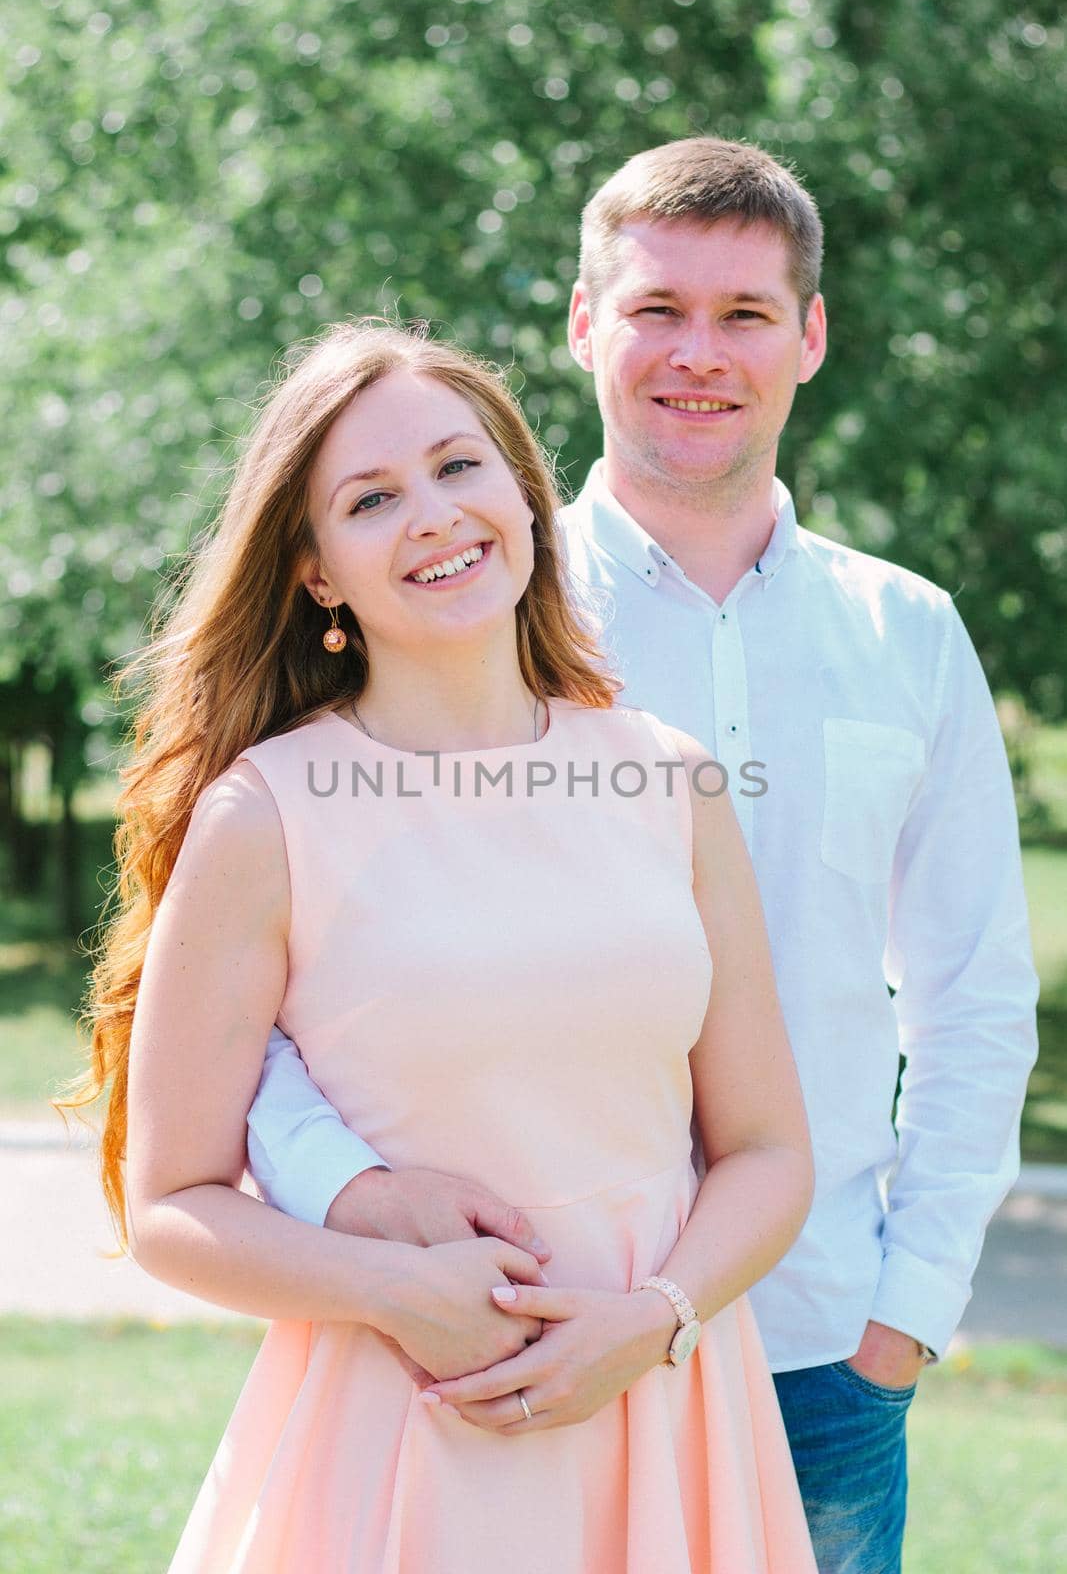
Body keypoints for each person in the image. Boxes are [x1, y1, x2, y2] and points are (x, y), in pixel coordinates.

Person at [248, 139, 1040, 1574]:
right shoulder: (448, 588)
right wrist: (366, 1219)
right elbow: (273, 993)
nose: (697, 355)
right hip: (495, 1333)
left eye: (742, 314)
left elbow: (973, 995)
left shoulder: (905, 634)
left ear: (808, 336)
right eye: (654, 309)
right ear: (578, 326)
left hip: (817, 1349)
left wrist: (899, 1318)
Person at [68, 319, 819, 1570]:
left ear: (523, 496)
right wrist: (386, 1288)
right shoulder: (266, 815)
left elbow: (767, 1150)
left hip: (667, 1404)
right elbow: (170, 1206)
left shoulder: (672, 781)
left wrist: (654, 1318)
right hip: (407, 1422)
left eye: (457, 467)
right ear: (317, 573)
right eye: (370, 498)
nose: (432, 515)